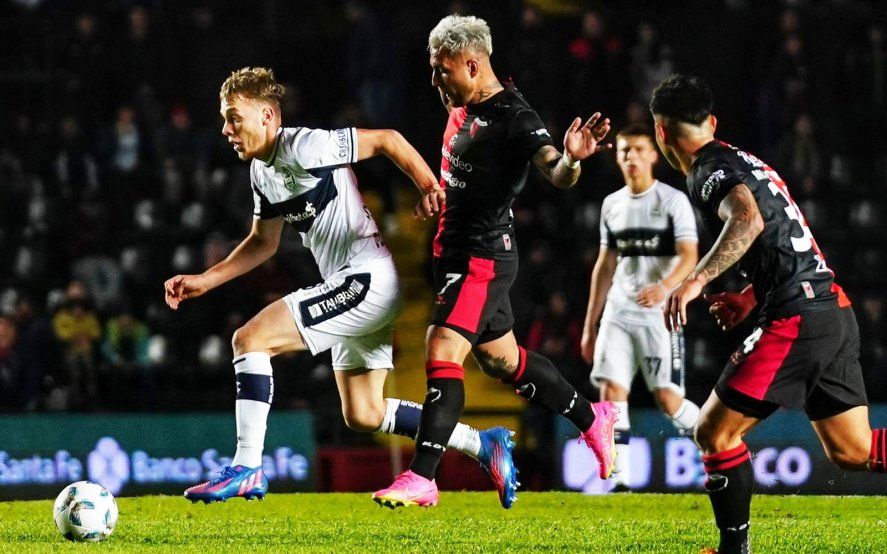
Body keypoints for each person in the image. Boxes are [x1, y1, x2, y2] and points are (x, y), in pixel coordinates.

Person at [164, 67, 516, 504]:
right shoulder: (261, 172)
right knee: (363, 413)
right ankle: (483, 444)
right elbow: (263, 242)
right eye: (224, 119)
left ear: (268, 115)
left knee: (249, 339)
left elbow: (387, 138)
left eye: (235, 117)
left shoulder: (307, 145)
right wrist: (205, 280)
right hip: (356, 283)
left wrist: (429, 185)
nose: (226, 129)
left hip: (366, 277)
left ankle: (247, 466)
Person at [373, 15, 618, 509]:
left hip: (483, 258)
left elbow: (556, 170)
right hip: (452, 250)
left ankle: (423, 476)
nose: (435, 81)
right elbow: (467, 176)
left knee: (442, 347)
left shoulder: (516, 117)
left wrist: (571, 159)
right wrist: (434, 194)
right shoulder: (461, 103)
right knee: (502, 360)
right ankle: (593, 418)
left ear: (472, 63)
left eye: (442, 71)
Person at [651, 74, 886, 554]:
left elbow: (749, 219)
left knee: (713, 433)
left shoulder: (707, 169)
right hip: (830, 308)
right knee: (853, 450)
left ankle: (735, 550)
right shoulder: (745, 159)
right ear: (711, 122)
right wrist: (750, 297)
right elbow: (782, 236)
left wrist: (694, 280)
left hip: (799, 315)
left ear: (661, 134)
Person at [580, 123, 700, 492]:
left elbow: (689, 255)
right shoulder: (612, 204)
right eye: (623, 151)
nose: (630, 157)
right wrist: (590, 324)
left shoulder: (672, 201)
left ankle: (718, 439)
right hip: (619, 310)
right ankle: (621, 481)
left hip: (660, 314)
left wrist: (664, 288)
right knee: (611, 391)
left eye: (637, 149)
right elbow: (605, 264)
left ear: (653, 155)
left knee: (668, 400)